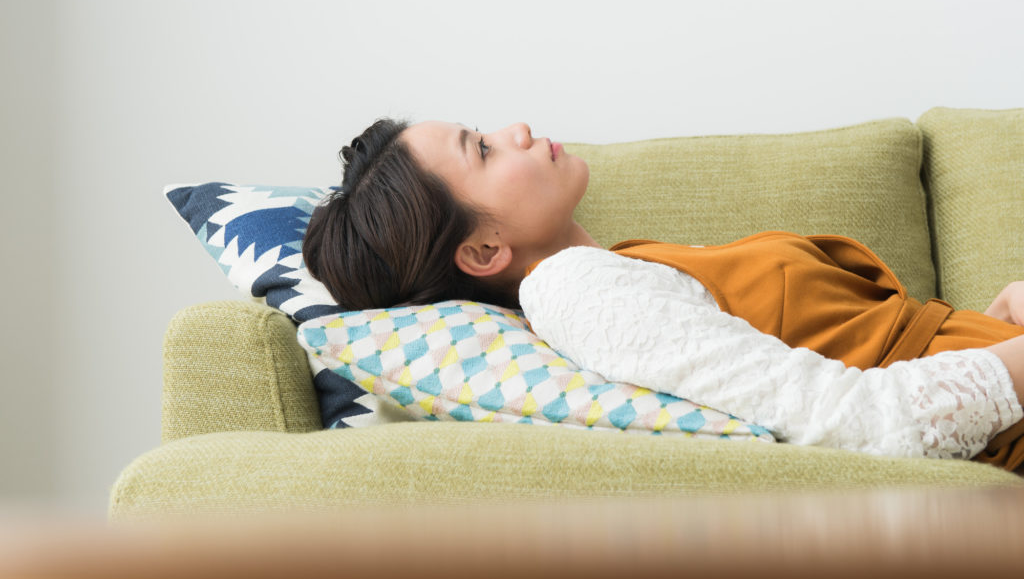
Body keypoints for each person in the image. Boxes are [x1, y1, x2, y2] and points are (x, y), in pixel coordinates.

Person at [303, 117, 1024, 471]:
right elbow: (860, 421)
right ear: (484, 249)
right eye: (482, 150)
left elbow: (848, 344)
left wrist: (985, 325)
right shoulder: (577, 291)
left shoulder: (610, 272)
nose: (514, 129)